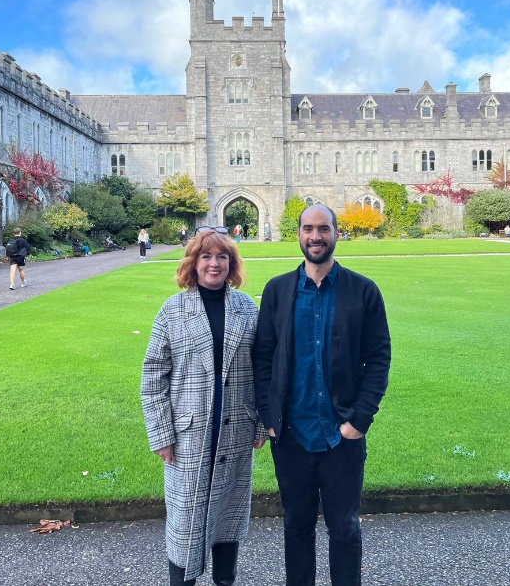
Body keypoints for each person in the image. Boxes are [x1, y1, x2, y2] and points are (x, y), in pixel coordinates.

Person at [253, 204, 391, 586]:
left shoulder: (363, 291)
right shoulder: (278, 290)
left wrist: (359, 420)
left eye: (324, 229)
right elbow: (263, 358)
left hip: (340, 436)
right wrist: (269, 418)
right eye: (308, 229)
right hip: (291, 436)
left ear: (336, 234)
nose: (316, 236)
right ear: (298, 234)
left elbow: (378, 359)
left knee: (344, 528)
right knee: (297, 527)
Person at [141, 226, 265, 586]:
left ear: (231, 263)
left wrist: (260, 424)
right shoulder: (173, 310)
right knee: (185, 525)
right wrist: (161, 434)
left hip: (236, 431)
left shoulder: (247, 308)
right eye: (206, 256)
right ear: (193, 263)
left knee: (228, 520)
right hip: (187, 435)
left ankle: (225, 580)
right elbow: (153, 375)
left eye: (222, 257)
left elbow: (264, 369)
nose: (214, 264)